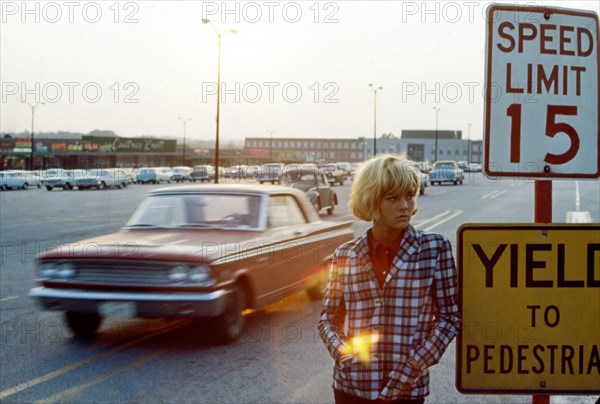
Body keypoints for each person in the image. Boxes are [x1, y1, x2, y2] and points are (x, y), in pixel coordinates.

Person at [318, 154, 461, 404]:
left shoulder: (434, 249)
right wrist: (343, 353)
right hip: (352, 388)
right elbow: (329, 319)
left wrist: (416, 364)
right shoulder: (346, 254)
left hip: (406, 388)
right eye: (393, 198)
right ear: (372, 200)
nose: (405, 205)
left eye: (408, 195)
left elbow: (450, 317)